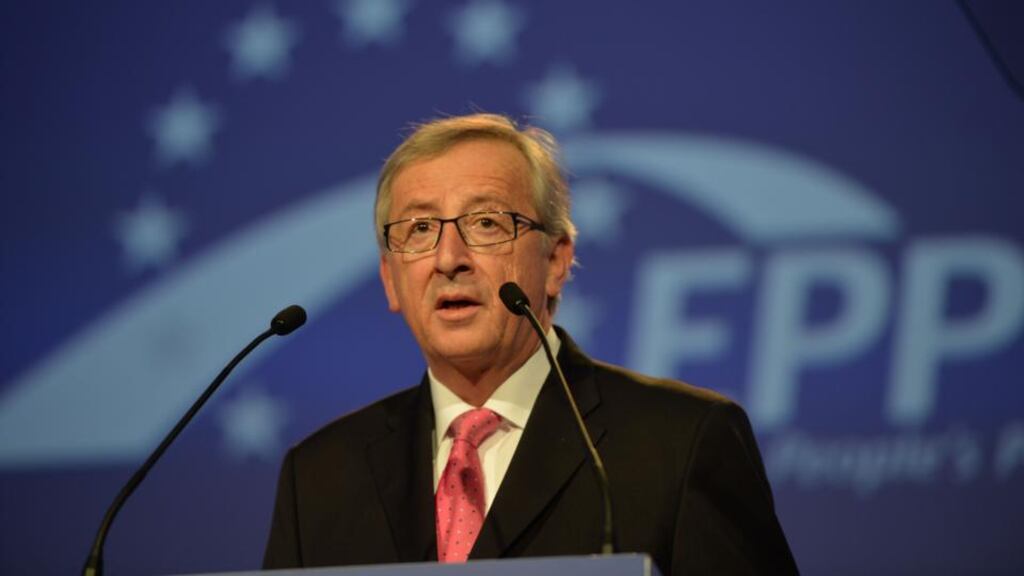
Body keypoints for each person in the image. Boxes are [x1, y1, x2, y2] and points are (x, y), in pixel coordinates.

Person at [263, 113, 799, 575]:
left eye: (487, 222)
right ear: (389, 278)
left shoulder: (683, 444)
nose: (449, 258)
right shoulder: (320, 476)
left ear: (557, 261)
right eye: (420, 228)